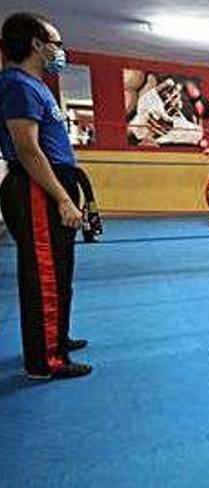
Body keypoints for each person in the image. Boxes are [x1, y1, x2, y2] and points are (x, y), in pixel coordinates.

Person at [0, 12, 91, 379]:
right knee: (44, 274)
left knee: (59, 269)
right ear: (36, 44)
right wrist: (63, 198)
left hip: (51, 184)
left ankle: (55, 339)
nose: (59, 50)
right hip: (37, 187)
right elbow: (27, 149)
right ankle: (46, 361)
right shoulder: (17, 83)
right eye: (55, 43)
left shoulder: (34, 85)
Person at [73, 166, 102, 242]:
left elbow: (89, 195)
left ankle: (90, 233)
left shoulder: (78, 172)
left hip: (87, 199)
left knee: (89, 209)